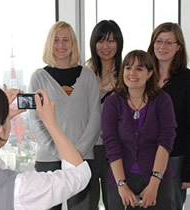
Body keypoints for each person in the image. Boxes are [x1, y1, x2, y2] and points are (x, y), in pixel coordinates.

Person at [28, 21, 101, 210]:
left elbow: (95, 118)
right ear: (49, 44)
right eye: (56, 40)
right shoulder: (38, 77)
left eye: (66, 40)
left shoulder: (88, 76)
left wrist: (78, 152)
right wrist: (60, 152)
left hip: (82, 157)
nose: (61, 45)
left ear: (73, 43)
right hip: (48, 159)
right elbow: (35, 122)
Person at [102, 50, 177, 210]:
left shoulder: (162, 100)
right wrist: (121, 185)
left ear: (150, 73)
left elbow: (165, 143)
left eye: (139, 68)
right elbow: (111, 145)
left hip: (157, 178)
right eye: (128, 68)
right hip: (120, 179)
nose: (132, 73)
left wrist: (154, 184)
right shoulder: (112, 102)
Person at [147, 22, 190, 210]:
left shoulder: (187, 80)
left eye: (169, 42)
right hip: (143, 156)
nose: (162, 47)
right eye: (159, 41)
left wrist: (188, 172)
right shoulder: (143, 76)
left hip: (175, 158)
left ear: (178, 47)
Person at [85, 19, 123, 210]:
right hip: (88, 147)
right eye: (101, 40)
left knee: (115, 201)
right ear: (94, 43)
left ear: (119, 43)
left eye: (111, 40)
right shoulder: (83, 73)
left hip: (117, 148)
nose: (106, 46)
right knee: (86, 203)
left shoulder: (127, 73)